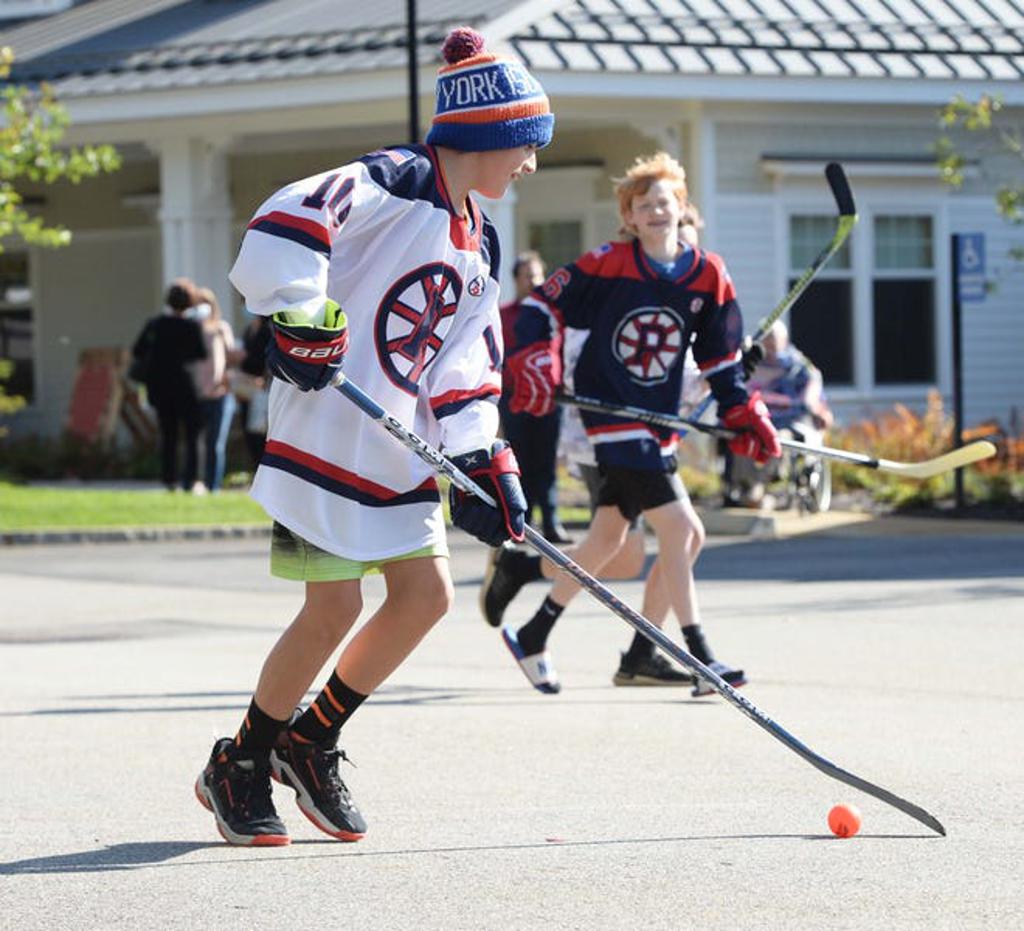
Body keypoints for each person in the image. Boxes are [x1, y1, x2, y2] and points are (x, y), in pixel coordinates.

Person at [193, 26, 551, 847]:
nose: (529, 163)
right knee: (333, 607)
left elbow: (465, 358)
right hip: (324, 432)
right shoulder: (394, 180)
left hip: (397, 444)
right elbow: (289, 216)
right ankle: (240, 762)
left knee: (426, 596)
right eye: (526, 143)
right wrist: (301, 311)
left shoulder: (481, 240)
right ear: (489, 130)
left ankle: (309, 739)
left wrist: (480, 457)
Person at [493, 152, 780, 696]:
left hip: (657, 422)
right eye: (642, 205)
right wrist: (535, 355)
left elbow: (718, 359)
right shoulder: (607, 263)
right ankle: (700, 657)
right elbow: (543, 307)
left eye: (663, 203)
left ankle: (540, 634)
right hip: (613, 417)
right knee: (685, 531)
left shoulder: (708, 275)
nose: (654, 212)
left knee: (605, 540)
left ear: (682, 208)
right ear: (628, 216)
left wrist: (741, 409)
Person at [481, 198, 710, 688]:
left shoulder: (683, 292)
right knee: (672, 538)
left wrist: (721, 377)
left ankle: (548, 604)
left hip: (642, 436)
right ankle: (670, 651)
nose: (684, 251)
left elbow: (679, 380)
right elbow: (596, 354)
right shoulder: (621, 284)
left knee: (618, 546)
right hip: (605, 435)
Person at [498, 251, 572, 543]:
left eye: (539, 275)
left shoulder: (552, 315)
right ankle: (523, 522)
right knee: (520, 460)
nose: (534, 281)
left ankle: (552, 521)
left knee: (546, 460)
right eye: (528, 275)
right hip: (515, 397)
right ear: (517, 279)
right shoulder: (504, 315)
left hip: (549, 399)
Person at [724, 320, 833, 507]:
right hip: (755, 420)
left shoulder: (800, 368)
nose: (770, 347)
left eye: (774, 342)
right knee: (743, 439)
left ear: (784, 341)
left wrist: (820, 411)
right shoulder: (751, 365)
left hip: (790, 421)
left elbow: (813, 398)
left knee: (777, 438)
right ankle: (746, 486)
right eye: (766, 342)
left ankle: (761, 485)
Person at [131, 278, 206, 492]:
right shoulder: (191, 325)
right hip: (185, 385)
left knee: (168, 434)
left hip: (160, 386)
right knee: (193, 434)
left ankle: (169, 480)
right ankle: (193, 480)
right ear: (189, 303)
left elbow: (138, 350)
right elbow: (200, 353)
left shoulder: (155, 324)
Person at [193, 287, 237, 493]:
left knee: (215, 443)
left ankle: (214, 485)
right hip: (196, 395)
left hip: (219, 395)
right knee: (195, 443)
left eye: (205, 303)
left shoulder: (221, 328)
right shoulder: (189, 330)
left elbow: (232, 357)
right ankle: (194, 482)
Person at [233, 314, 271, 468]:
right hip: (246, 386)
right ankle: (256, 467)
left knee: (261, 432)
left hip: (262, 387)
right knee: (249, 431)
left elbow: (268, 358)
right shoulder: (249, 329)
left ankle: (262, 468)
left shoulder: (269, 329)